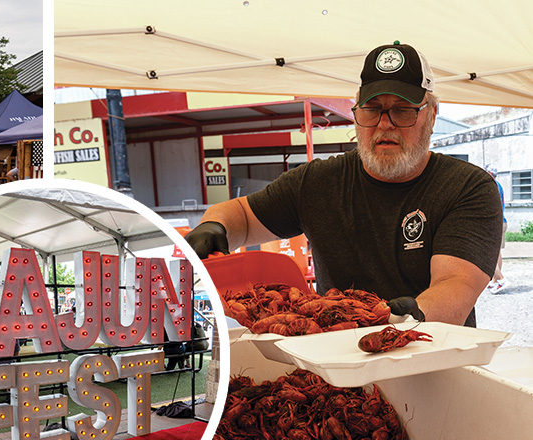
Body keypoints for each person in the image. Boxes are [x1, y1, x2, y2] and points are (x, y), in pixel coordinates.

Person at [185, 42, 501, 327]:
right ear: (356, 114)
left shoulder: (467, 187)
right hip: (337, 369)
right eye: (372, 109)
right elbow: (241, 214)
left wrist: (400, 319)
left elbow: (456, 285)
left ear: (431, 116)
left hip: (433, 362)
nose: (384, 123)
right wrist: (216, 226)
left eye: (403, 110)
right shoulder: (315, 182)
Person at [487, 166, 508, 294]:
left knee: (488, 253)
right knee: (497, 252)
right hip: (502, 221)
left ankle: (501, 279)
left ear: (489, 173)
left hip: (494, 223)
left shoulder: (490, 185)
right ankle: (495, 280)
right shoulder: (498, 185)